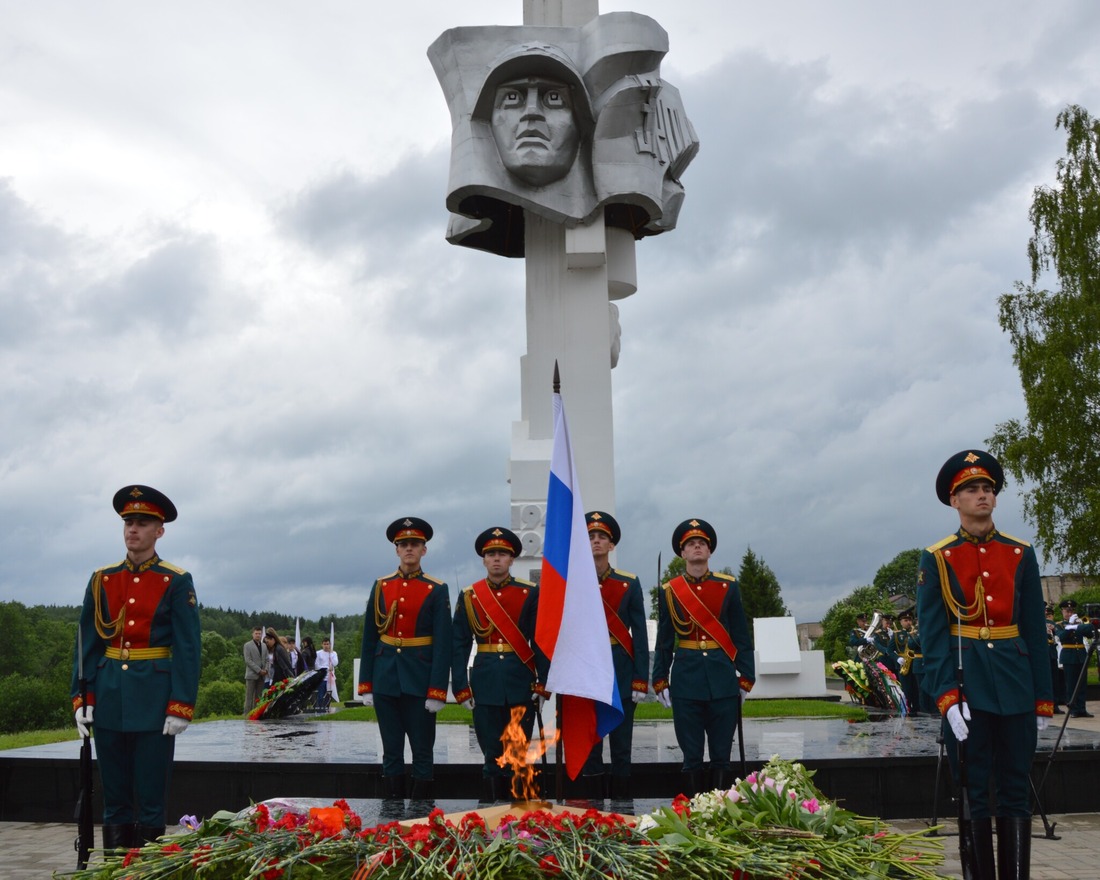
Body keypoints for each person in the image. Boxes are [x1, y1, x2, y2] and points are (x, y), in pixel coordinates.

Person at [916, 449, 1053, 879]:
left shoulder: (1019, 553)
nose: (982, 495)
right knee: (974, 788)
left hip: (1015, 681)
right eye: (972, 489)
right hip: (966, 683)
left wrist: (1043, 696)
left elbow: (1033, 629)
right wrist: (946, 695)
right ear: (954, 501)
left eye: (988, 489)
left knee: (1015, 788)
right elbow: (933, 636)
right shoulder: (937, 557)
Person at [71, 485, 201, 851]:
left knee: (150, 802)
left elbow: (189, 648)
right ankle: (114, 868)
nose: (133, 529)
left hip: (155, 703)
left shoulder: (175, 580)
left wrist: (181, 705)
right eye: (129, 522)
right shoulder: (103, 579)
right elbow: (86, 645)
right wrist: (83, 698)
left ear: (159, 531)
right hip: (110, 697)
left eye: (143, 523)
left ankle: (145, 870)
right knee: (114, 801)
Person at [651, 519, 755, 797]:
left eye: (702, 543)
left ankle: (720, 811)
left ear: (709, 552)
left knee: (722, 754)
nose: (697, 547)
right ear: (682, 553)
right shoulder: (670, 591)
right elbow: (663, 642)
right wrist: (659, 679)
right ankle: (695, 812)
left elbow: (742, 638)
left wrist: (746, 677)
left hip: (722, 679)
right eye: (690, 544)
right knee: (691, 755)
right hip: (686, 679)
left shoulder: (728, 586)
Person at [451, 526, 549, 804]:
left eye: (502, 554)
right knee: (491, 752)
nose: (496, 559)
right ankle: (489, 811)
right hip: (484, 682)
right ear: (483, 559)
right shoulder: (470, 596)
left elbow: (540, 641)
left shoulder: (529, 592)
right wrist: (461, 687)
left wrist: (543, 683)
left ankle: (518, 813)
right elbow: (458, 645)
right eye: (491, 554)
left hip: (521, 680)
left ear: (511, 560)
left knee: (519, 752)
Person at [358, 517, 453, 800]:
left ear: (424, 550)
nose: (409, 549)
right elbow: (369, 637)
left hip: (420, 680)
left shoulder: (436, 589)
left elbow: (443, 644)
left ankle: (422, 815)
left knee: (423, 751)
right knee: (391, 750)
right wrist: (366, 683)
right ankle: (392, 814)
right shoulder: (381, 585)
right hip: (386, 679)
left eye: (415, 544)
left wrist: (438, 690)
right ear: (396, 550)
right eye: (403, 545)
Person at [579, 511, 649, 799]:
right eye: (590, 537)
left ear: (611, 545)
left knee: (622, 743)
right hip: (585, 669)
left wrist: (639, 679)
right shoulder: (572, 584)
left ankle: (623, 805)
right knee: (589, 742)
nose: (596, 541)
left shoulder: (628, 583)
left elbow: (640, 635)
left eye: (602, 537)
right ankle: (591, 808)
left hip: (619, 667)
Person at [1056, 599, 1094, 718]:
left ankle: (1082, 709)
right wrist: (1070, 626)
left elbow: (1090, 634)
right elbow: (1062, 637)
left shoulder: (1079, 623)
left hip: (1081, 656)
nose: (1069, 613)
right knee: (1071, 684)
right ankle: (1073, 709)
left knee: (1082, 684)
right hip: (1069, 656)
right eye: (1067, 611)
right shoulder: (1059, 625)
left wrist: (1080, 625)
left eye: (1071, 611)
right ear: (1062, 611)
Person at [1044, 606, 1065, 714]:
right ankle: (1045, 705)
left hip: (1052, 653)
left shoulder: (1051, 623)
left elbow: (1058, 635)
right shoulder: (1035, 622)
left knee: (1054, 680)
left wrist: (1053, 630)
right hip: (1043, 654)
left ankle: (1055, 704)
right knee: (1045, 681)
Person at [243, 627, 268, 712]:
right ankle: (247, 715)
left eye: (259, 633)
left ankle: (256, 714)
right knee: (249, 697)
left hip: (262, 676)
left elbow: (267, 659)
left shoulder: (264, 646)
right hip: (251, 675)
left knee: (258, 697)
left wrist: (266, 670)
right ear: (252, 634)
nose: (258, 635)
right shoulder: (247, 645)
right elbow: (248, 660)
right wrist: (259, 670)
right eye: (256, 633)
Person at [314, 637, 338, 711]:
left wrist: (331, 654)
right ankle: (319, 709)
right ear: (322, 644)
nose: (326, 646)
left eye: (327, 644)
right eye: (324, 644)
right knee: (321, 695)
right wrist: (326, 668)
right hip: (322, 678)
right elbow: (316, 665)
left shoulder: (333, 653)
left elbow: (335, 663)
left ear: (330, 645)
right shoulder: (318, 653)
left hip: (330, 678)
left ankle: (326, 708)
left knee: (328, 695)